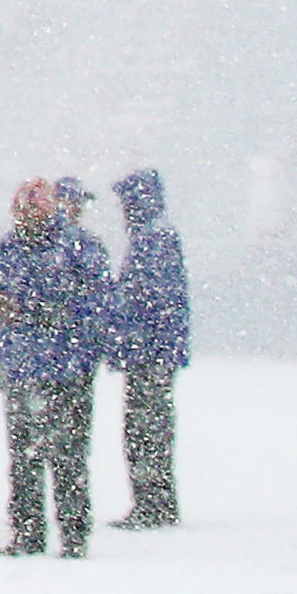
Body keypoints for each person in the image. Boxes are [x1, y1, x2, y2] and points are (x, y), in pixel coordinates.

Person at [0, 178, 107, 560]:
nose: (31, 217)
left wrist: (60, 322)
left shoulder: (80, 248)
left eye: (39, 209)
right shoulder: (4, 253)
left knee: (70, 457)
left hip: (68, 372)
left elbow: (99, 306)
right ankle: (27, 533)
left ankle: (74, 535)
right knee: (24, 457)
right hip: (23, 370)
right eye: (25, 210)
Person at [108, 168, 187, 529]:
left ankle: (152, 502)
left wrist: (125, 332)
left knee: (145, 430)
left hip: (149, 356)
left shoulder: (152, 240)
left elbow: (147, 300)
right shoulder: (156, 236)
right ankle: (157, 500)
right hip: (153, 354)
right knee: (149, 428)